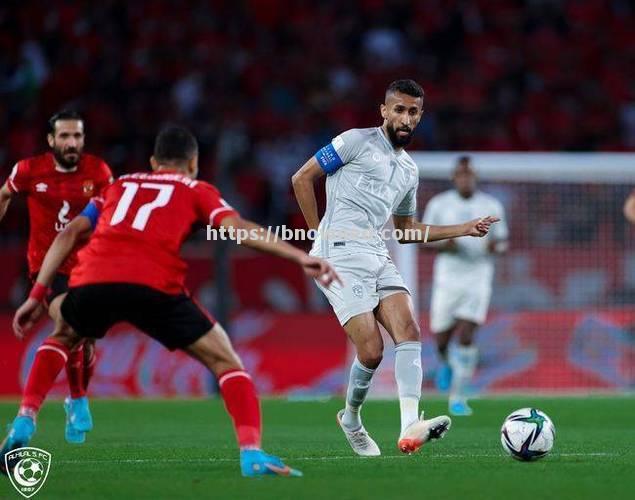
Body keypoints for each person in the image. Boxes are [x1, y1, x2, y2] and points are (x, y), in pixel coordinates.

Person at [1, 126, 340, 478]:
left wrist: (37, 294)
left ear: (153, 162)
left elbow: (71, 232)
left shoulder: (117, 185)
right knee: (227, 362)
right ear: (193, 163)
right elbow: (238, 229)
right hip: (154, 283)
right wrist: (298, 256)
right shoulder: (197, 189)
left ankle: (25, 417)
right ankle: (251, 454)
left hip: (94, 278)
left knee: (63, 336)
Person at [291, 79, 499, 456]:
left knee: (410, 330)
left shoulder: (408, 171)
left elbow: (405, 232)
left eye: (413, 111)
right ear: (384, 111)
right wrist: (316, 239)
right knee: (371, 351)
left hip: (376, 252)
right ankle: (351, 418)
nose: (405, 117)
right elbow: (302, 178)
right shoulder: (354, 141)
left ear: (421, 116)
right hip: (336, 253)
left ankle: (409, 427)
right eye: (399, 109)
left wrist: (464, 229)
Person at [0, 110, 112, 444]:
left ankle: (77, 398)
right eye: (64, 136)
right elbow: (5, 194)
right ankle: (31, 415)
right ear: (51, 141)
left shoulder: (100, 172)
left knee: (85, 342)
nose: (72, 142)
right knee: (68, 324)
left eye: (77, 136)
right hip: (50, 270)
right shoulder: (29, 170)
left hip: (91, 267)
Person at [422, 156, 508, 416]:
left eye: (469, 174)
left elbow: (503, 243)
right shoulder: (439, 204)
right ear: (454, 178)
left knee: (468, 334)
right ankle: (447, 364)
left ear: (475, 177)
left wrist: (495, 247)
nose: (465, 179)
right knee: (441, 340)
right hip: (447, 279)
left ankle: (458, 398)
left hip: (478, 277)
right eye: (461, 174)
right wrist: (442, 244)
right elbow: (422, 238)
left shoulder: (491, 205)